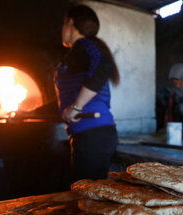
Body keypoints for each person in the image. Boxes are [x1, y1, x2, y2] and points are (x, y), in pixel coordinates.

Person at [55, 5, 120, 181]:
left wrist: (76, 108)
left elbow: (102, 66)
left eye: (63, 23)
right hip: (91, 134)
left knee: (87, 198)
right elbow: (68, 95)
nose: (62, 28)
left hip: (93, 134)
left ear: (70, 23)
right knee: (86, 195)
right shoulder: (78, 51)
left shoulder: (84, 45)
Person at [157, 63, 183, 131]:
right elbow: (169, 113)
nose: (177, 86)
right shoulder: (174, 94)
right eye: (175, 84)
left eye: (180, 83)